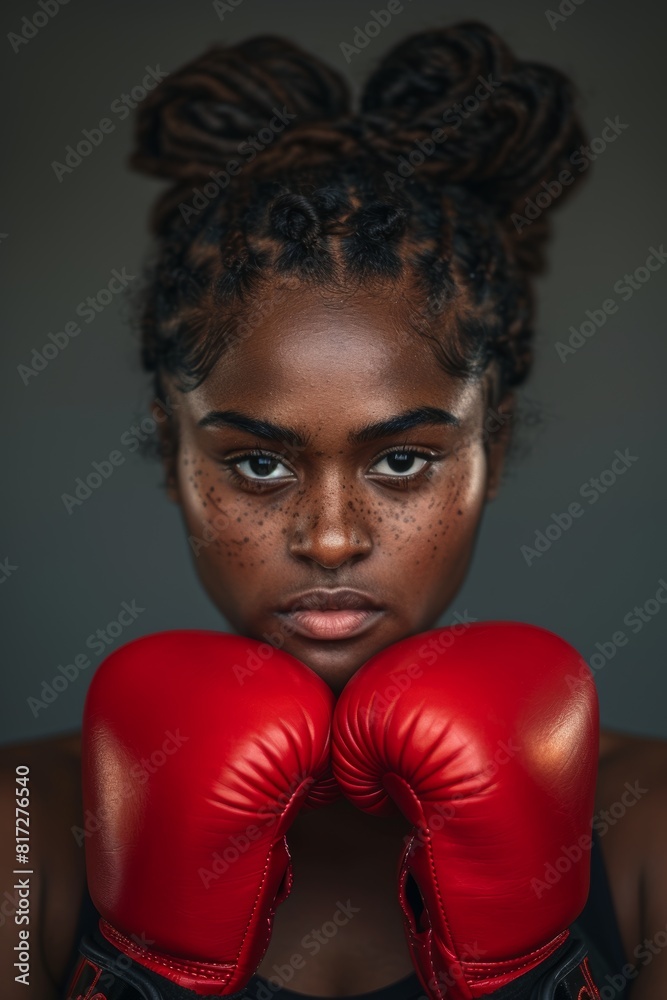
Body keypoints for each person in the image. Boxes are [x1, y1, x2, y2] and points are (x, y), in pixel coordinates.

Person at [0, 20, 666, 1000]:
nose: (329, 537)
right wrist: (144, 972)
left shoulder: (647, 818)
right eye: (257, 464)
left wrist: (530, 972)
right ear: (174, 448)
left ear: (495, 441)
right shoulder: (24, 817)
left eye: (402, 459)